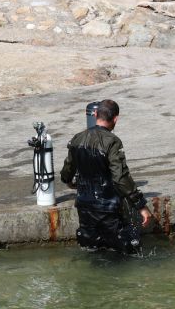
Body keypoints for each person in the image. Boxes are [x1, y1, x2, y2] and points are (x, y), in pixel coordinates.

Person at [60, 99, 151, 254]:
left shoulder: (77, 139)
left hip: (84, 208)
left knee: (93, 252)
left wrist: (69, 182)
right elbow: (120, 178)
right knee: (126, 252)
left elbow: (67, 172)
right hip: (108, 209)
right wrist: (141, 205)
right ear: (115, 118)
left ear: (95, 114)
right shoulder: (112, 142)